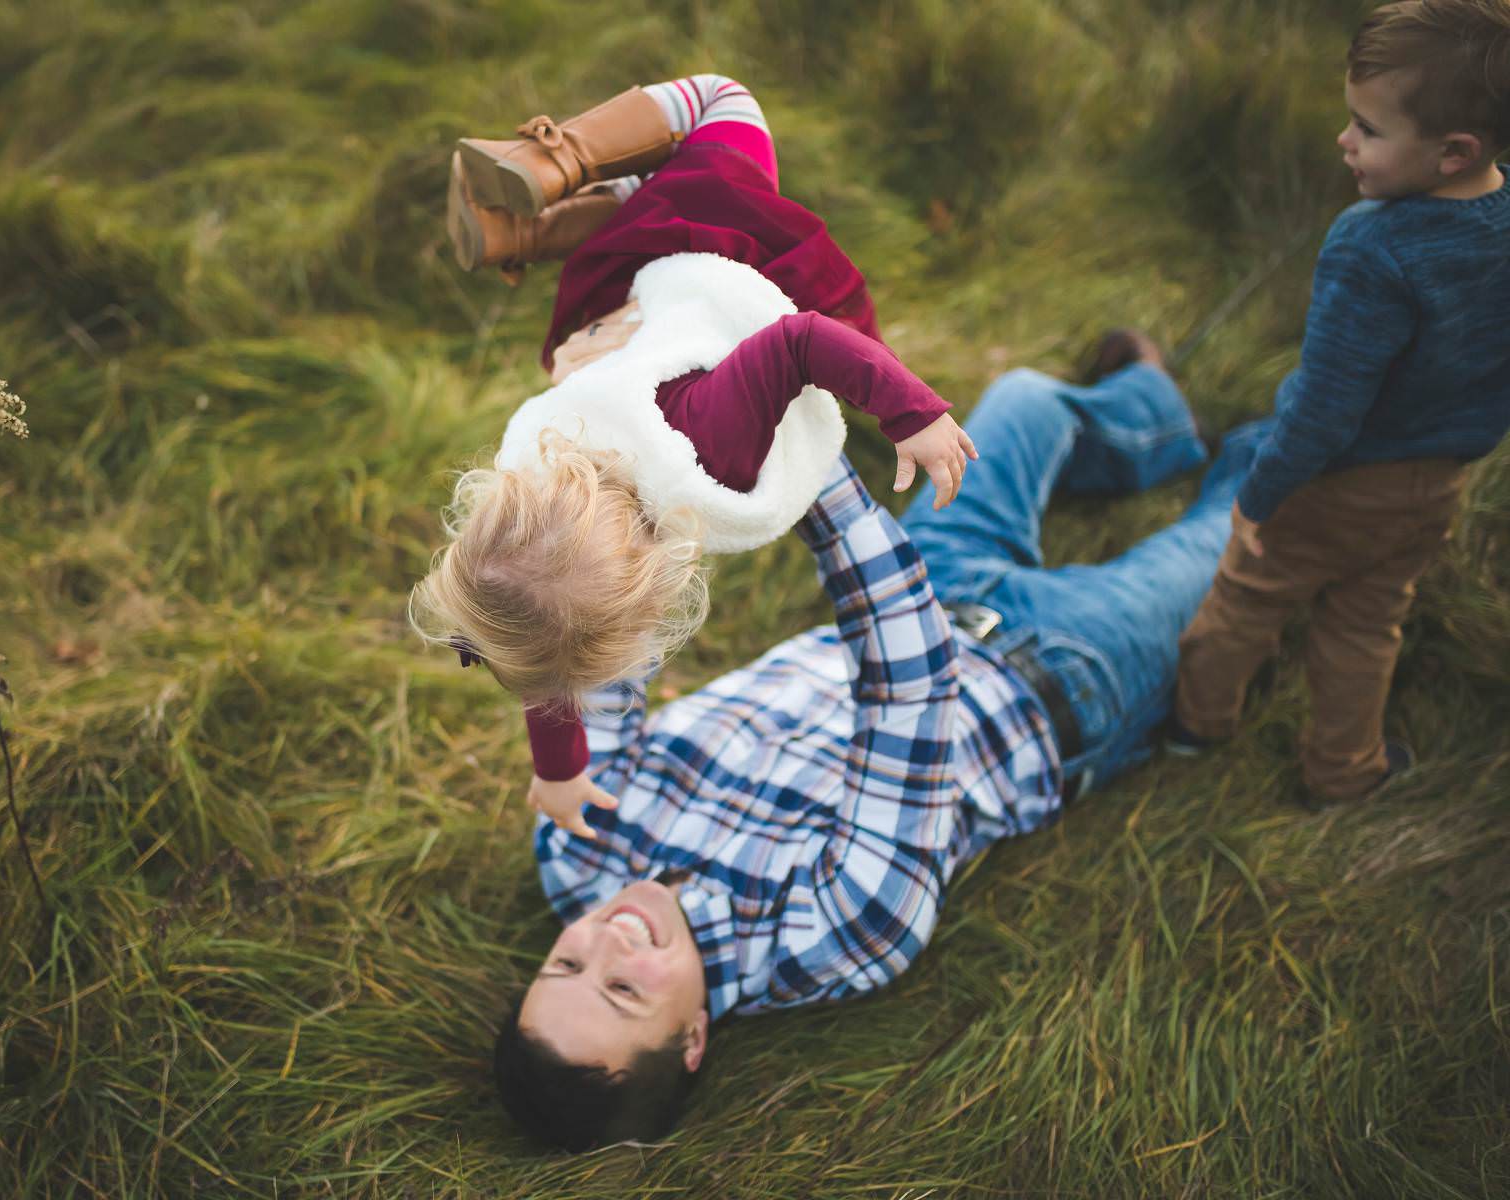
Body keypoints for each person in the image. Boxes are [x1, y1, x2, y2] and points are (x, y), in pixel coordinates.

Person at [493, 343, 1266, 1152]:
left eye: (565, 966)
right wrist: (804, 458)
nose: (606, 938)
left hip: (926, 575)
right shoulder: (839, 934)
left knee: (1025, 399)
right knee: (1253, 518)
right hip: (1058, 675)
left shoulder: (575, 851)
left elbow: (608, 651)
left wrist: (626, 488)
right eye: (622, 989)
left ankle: (1156, 417)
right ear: (692, 1038)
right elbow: (910, 685)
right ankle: (1305, 429)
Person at [413, 77, 976, 843]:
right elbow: (544, 658)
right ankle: (572, 217)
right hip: (615, 296)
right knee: (659, 176)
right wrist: (557, 770)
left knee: (725, 102)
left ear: (654, 588)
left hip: (721, 243)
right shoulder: (530, 500)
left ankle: (556, 163)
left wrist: (911, 414)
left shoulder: (709, 450)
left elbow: (802, 339)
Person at [1170, 0, 1510, 804]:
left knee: (1246, 596)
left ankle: (1197, 725)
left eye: (1368, 128)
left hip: (1336, 480)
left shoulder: (1372, 246)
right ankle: (1344, 771)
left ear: (1454, 152)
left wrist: (1260, 495)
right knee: (1366, 623)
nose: (1343, 140)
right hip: (1436, 484)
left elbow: (1324, 408)